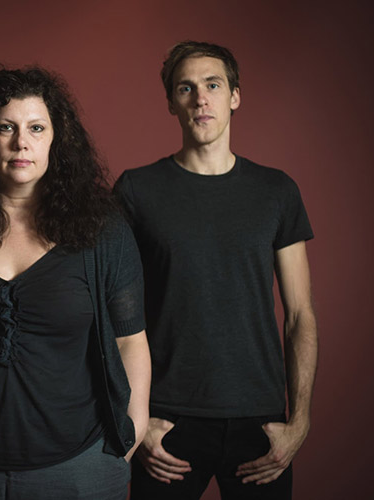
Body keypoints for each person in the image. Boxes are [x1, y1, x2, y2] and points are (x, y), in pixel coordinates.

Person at [0, 66, 151, 500]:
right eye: (6, 127)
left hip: (79, 469)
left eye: (36, 128)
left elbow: (130, 341)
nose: (21, 142)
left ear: (57, 139)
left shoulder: (102, 230)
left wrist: (131, 433)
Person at [114, 41, 318, 499]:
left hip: (259, 422)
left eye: (213, 85)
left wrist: (300, 421)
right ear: (171, 102)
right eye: (185, 88)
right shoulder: (136, 190)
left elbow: (300, 315)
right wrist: (134, 419)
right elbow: (111, 312)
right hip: (166, 419)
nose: (200, 99)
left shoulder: (276, 191)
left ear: (235, 96)